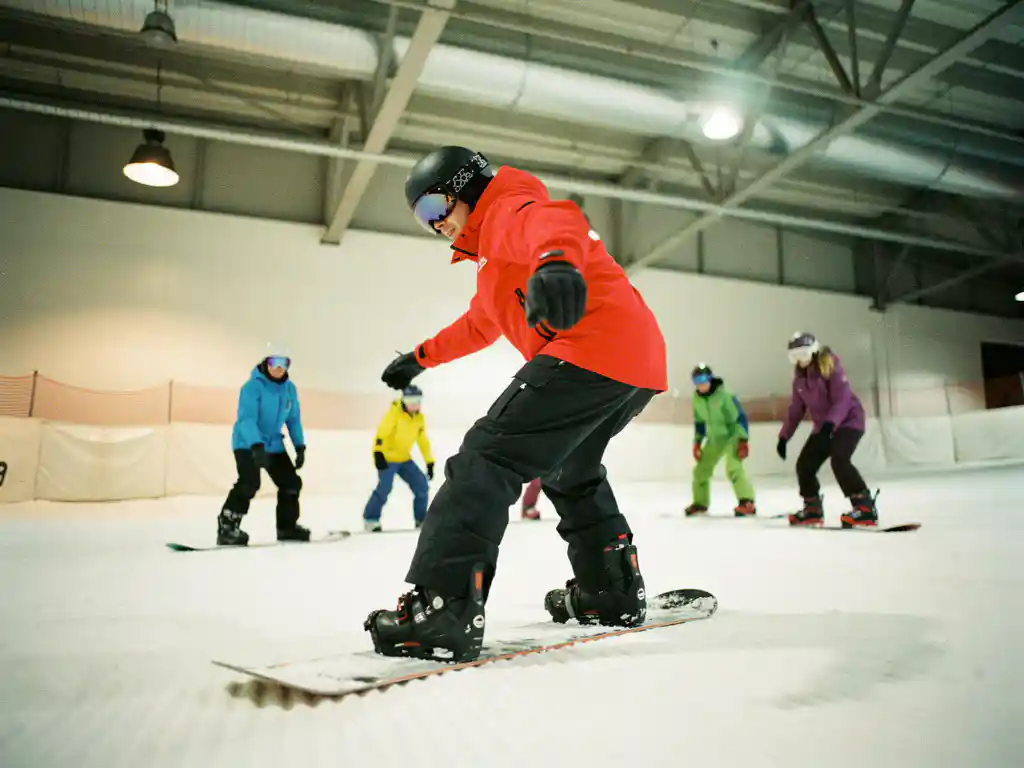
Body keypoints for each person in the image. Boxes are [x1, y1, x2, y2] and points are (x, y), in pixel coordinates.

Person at [363, 145, 668, 663]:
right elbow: (478, 325)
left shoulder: (507, 206)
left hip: (593, 347)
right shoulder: (492, 265)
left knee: (486, 459)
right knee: (571, 470)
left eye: (436, 208)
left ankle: (439, 610)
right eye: (422, 219)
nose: (435, 225)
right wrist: (419, 358)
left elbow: (557, 220)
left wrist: (554, 263)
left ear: (465, 188)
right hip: (635, 362)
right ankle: (609, 590)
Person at [776, 332, 878, 528]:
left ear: (813, 351)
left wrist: (830, 425)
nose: (800, 361)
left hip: (849, 421)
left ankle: (864, 507)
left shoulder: (831, 366)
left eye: (803, 355)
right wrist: (784, 437)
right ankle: (812, 509)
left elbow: (843, 399)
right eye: (795, 357)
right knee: (805, 465)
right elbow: (796, 410)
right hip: (824, 427)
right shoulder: (799, 379)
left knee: (839, 459)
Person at [217, 344, 308, 545]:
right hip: (247, 442)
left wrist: (299, 446)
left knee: (291, 483)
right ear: (266, 363)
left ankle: (287, 527)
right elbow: (246, 419)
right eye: (274, 362)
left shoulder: (289, 389)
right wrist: (256, 446)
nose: (278, 367)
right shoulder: (251, 387)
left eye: (284, 363)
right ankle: (227, 526)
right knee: (250, 482)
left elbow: (293, 419)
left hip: (274, 444)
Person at [684, 364, 756, 517]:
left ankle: (747, 501)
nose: (700, 384)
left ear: (710, 379)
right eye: (696, 381)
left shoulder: (725, 395)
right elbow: (700, 423)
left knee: (733, 468)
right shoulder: (696, 398)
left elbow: (740, 418)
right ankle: (700, 502)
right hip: (714, 439)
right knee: (700, 471)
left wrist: (742, 439)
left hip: (732, 436)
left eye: (703, 379)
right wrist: (697, 442)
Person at [363, 385, 435, 532]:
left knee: (422, 486)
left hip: (404, 459)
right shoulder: (394, 413)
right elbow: (381, 433)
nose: (413, 404)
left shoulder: (419, 419)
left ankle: (421, 519)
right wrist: (378, 453)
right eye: (410, 400)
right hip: (388, 458)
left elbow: (423, 441)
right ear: (404, 400)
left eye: (417, 400)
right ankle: (370, 519)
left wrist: (429, 461)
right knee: (384, 488)